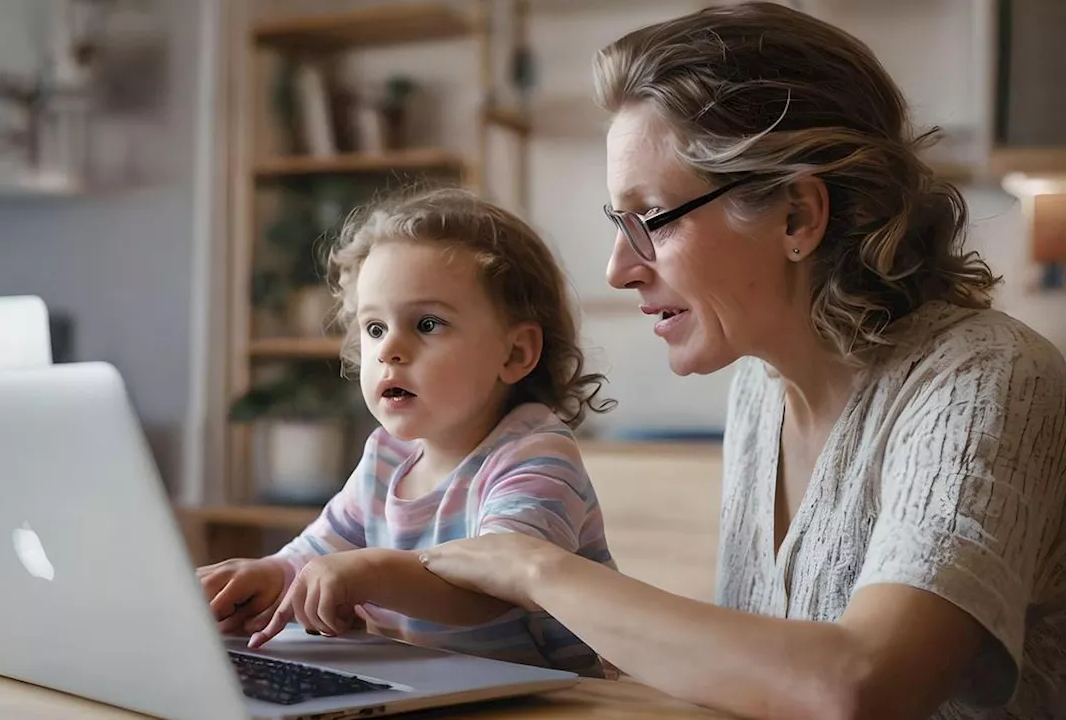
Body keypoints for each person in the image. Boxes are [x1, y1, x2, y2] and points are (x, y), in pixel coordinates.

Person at [414, 3, 1066, 719]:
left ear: (797, 216)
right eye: (617, 222)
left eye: (651, 218)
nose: (617, 268)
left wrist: (536, 569)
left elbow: (862, 686)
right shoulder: (760, 387)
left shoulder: (986, 379)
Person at [196, 187, 618, 677]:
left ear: (515, 354)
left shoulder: (536, 454)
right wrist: (270, 573)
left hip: (561, 700)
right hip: (441, 689)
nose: (389, 349)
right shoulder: (386, 457)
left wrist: (372, 572)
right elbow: (318, 552)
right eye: (374, 328)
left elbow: (498, 584)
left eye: (427, 323)